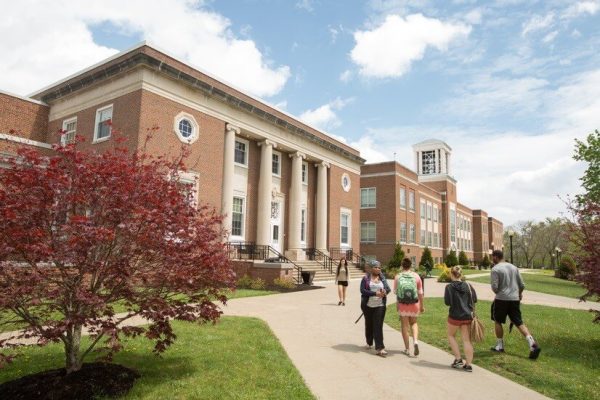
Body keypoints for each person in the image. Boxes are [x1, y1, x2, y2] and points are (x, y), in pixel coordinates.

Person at [490, 249, 541, 359]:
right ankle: (532, 344)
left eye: (492, 257)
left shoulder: (495, 269)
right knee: (518, 322)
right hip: (514, 299)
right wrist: (519, 294)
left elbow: (495, 287)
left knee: (498, 321)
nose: (492, 259)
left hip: (501, 299)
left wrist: (500, 292)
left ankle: (500, 346)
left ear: (495, 257)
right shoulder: (514, 267)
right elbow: (522, 285)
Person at [444, 266, 476, 372]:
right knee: (466, 340)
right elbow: (474, 299)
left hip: (454, 316)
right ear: (461, 275)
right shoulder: (468, 285)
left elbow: (447, 302)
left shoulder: (449, 287)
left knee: (450, 335)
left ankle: (458, 359)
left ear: (451, 274)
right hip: (467, 316)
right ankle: (468, 364)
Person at [360, 260, 391, 357]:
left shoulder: (383, 279)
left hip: (380, 305)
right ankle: (369, 342)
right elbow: (362, 291)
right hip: (368, 305)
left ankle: (380, 348)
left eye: (379, 267)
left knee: (378, 326)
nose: (378, 269)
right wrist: (375, 293)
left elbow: (388, 289)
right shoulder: (365, 278)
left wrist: (384, 292)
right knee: (369, 324)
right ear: (371, 268)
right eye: (376, 267)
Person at [394, 258, 424, 356]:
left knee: (404, 326)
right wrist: (422, 306)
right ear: (411, 265)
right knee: (414, 323)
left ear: (402, 266)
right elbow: (420, 293)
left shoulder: (398, 276)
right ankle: (415, 341)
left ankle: (407, 349)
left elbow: (396, 292)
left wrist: (397, 305)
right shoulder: (416, 276)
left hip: (403, 304)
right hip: (414, 303)